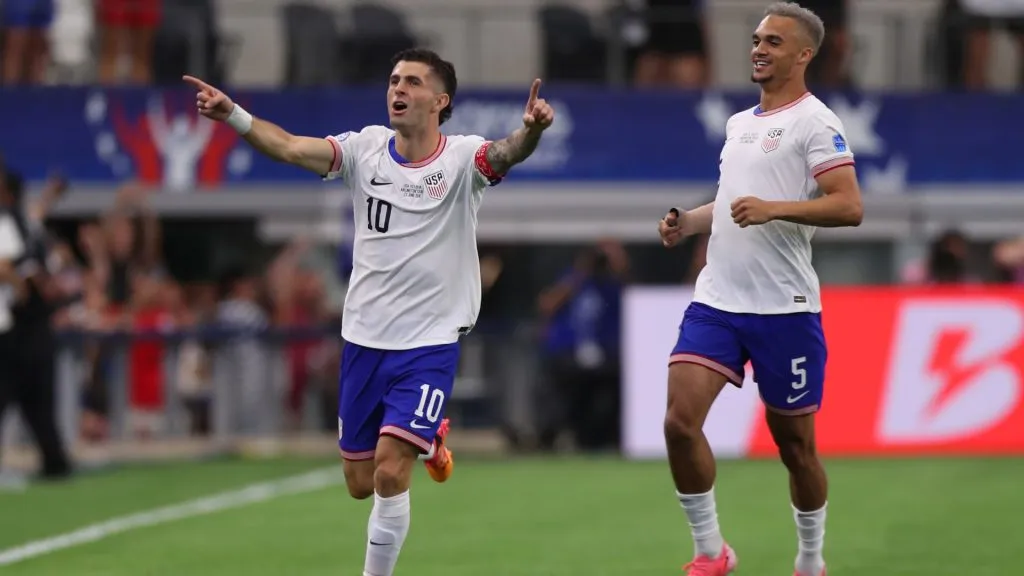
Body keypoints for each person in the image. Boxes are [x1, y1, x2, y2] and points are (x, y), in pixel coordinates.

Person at [184, 48, 554, 576]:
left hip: (428, 343)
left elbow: (506, 153)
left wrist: (532, 131)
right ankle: (431, 438)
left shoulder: (461, 159)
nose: (397, 89)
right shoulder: (364, 151)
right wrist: (234, 115)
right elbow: (289, 147)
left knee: (387, 471)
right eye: (393, 80)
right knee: (360, 485)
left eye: (412, 82)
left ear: (439, 100)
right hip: (364, 339)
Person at [656, 3, 863, 576]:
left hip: (784, 309)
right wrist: (688, 223)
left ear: (804, 55)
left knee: (795, 449)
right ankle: (710, 551)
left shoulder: (816, 122)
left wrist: (774, 209)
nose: (759, 49)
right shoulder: (740, 123)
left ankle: (811, 560)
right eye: (755, 39)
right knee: (678, 422)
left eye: (774, 41)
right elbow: (733, 203)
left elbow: (849, 206)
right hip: (718, 301)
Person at [0, 169, 73, 482]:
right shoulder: (22, 220)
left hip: (14, 326)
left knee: (31, 400)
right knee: (37, 401)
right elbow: (37, 214)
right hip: (28, 326)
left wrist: (19, 282)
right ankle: (55, 462)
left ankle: (55, 461)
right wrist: (52, 195)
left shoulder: (9, 220)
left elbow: (6, 265)